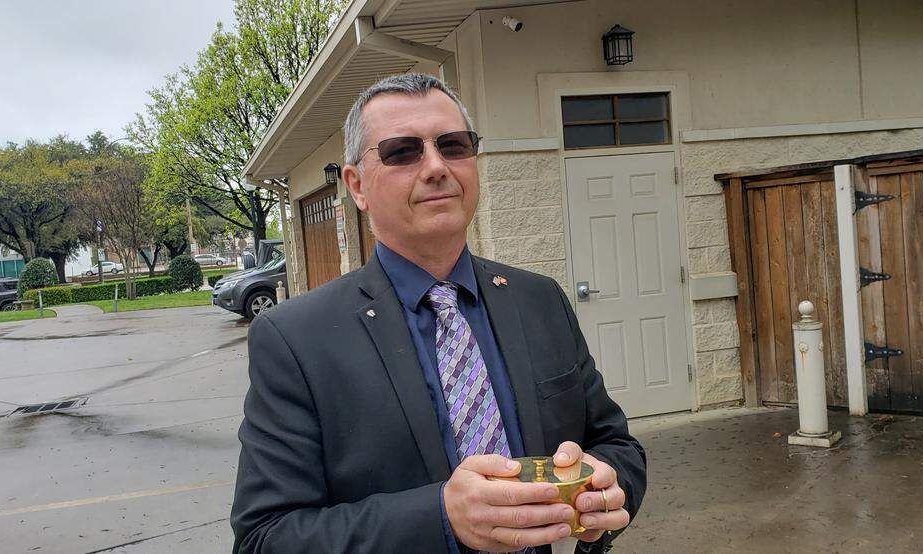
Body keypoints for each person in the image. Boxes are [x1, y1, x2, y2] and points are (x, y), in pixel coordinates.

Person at [232, 73, 646, 553]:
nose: (435, 167)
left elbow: (618, 447)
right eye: (402, 152)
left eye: (453, 145)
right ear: (357, 186)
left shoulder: (539, 300)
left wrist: (608, 491)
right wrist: (442, 519)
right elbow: (265, 539)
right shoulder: (295, 339)